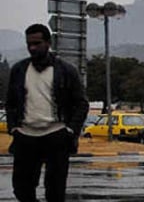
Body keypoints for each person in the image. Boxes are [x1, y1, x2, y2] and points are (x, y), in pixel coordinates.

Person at [5, 24, 89, 202]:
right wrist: (14, 128)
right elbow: (11, 102)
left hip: (55, 135)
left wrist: (70, 130)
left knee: (55, 191)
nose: (32, 48)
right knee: (21, 189)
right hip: (25, 136)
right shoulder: (19, 70)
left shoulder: (66, 70)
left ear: (48, 43)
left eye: (37, 43)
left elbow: (81, 103)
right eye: (29, 44)